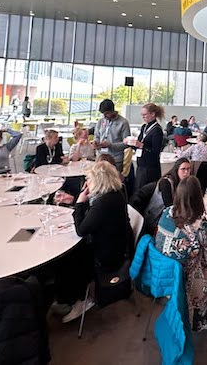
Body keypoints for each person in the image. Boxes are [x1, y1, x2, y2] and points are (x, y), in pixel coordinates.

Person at [56, 161, 130, 323]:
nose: (86, 182)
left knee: (67, 258)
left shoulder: (103, 202)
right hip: (115, 245)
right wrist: (78, 200)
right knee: (72, 253)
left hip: (107, 255)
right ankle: (69, 297)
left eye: (89, 179)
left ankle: (80, 300)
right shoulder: (114, 194)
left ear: (99, 180)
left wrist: (79, 202)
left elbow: (81, 229)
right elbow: (93, 217)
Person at [155, 176, 207, 335]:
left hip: (162, 274)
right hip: (185, 281)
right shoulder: (201, 226)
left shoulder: (166, 213)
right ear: (198, 198)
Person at [92, 99, 131, 172]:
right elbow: (97, 136)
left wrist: (110, 145)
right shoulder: (101, 121)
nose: (105, 116)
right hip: (100, 157)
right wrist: (96, 142)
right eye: (103, 114)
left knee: (113, 182)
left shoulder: (123, 123)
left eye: (107, 113)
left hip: (115, 159)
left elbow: (126, 144)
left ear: (113, 111)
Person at [134, 103, 165, 191]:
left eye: (145, 115)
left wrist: (142, 146)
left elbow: (156, 151)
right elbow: (140, 142)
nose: (143, 117)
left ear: (152, 114)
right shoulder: (144, 127)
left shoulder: (157, 130)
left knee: (146, 191)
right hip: (141, 164)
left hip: (150, 167)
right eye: (142, 115)